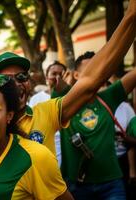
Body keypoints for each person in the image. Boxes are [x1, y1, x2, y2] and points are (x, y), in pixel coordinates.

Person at [0, 0, 136, 155]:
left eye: (21, 76)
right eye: (4, 79)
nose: (15, 83)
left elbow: (91, 81)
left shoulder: (45, 112)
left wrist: (131, 16)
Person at [50, 50, 136, 199]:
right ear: (76, 75)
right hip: (76, 187)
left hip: (111, 185)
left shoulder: (109, 97)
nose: (97, 74)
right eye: (91, 70)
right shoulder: (65, 100)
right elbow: (58, 90)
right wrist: (65, 83)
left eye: (100, 69)